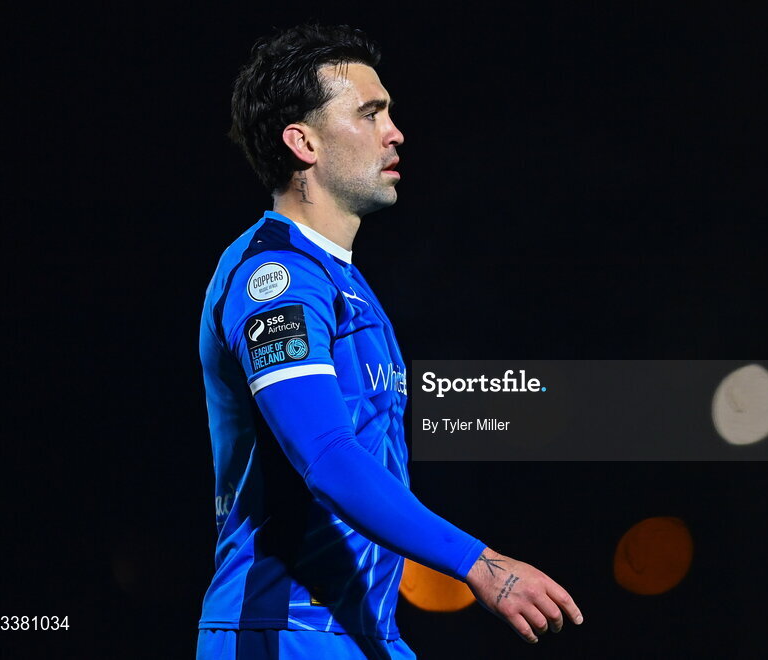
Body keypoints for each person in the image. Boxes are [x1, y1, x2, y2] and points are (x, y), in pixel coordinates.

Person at [197, 24, 583, 659]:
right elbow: (326, 456)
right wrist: (479, 563)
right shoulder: (277, 281)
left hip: (363, 634)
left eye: (390, 113)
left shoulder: (343, 281)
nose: (395, 132)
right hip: (282, 630)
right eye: (369, 113)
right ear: (303, 142)